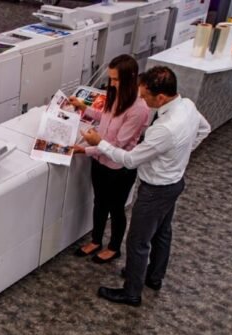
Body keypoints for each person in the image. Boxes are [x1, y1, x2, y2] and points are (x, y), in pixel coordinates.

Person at [81, 66, 211, 306]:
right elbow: (205, 129)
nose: (142, 100)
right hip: (174, 182)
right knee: (163, 233)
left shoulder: (164, 129)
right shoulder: (188, 106)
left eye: (145, 96)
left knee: (138, 241)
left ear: (160, 97)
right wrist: (180, 155)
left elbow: (130, 160)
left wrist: (100, 143)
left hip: (155, 189)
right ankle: (153, 276)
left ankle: (131, 292)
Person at [72, 54, 151, 264]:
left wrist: (85, 150)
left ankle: (114, 247)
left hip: (119, 168)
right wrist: (83, 107)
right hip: (100, 160)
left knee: (116, 208)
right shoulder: (115, 95)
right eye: (111, 78)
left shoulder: (139, 109)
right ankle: (96, 240)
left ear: (130, 78)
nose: (112, 83)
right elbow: (105, 117)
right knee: (99, 202)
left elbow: (118, 144)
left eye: (116, 79)